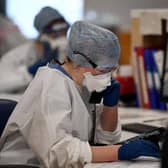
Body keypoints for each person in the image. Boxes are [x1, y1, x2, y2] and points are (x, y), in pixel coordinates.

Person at [0, 21, 160, 168]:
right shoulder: (51, 84)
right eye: (104, 71)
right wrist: (120, 152)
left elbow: (105, 141)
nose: (109, 77)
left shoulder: (85, 83)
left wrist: (111, 106)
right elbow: (58, 154)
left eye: (112, 70)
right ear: (78, 61)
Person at [0, 6, 69, 93]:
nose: (61, 36)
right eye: (55, 32)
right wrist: (28, 73)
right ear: (43, 34)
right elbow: (2, 85)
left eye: (64, 30)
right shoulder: (15, 56)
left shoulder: (65, 55)